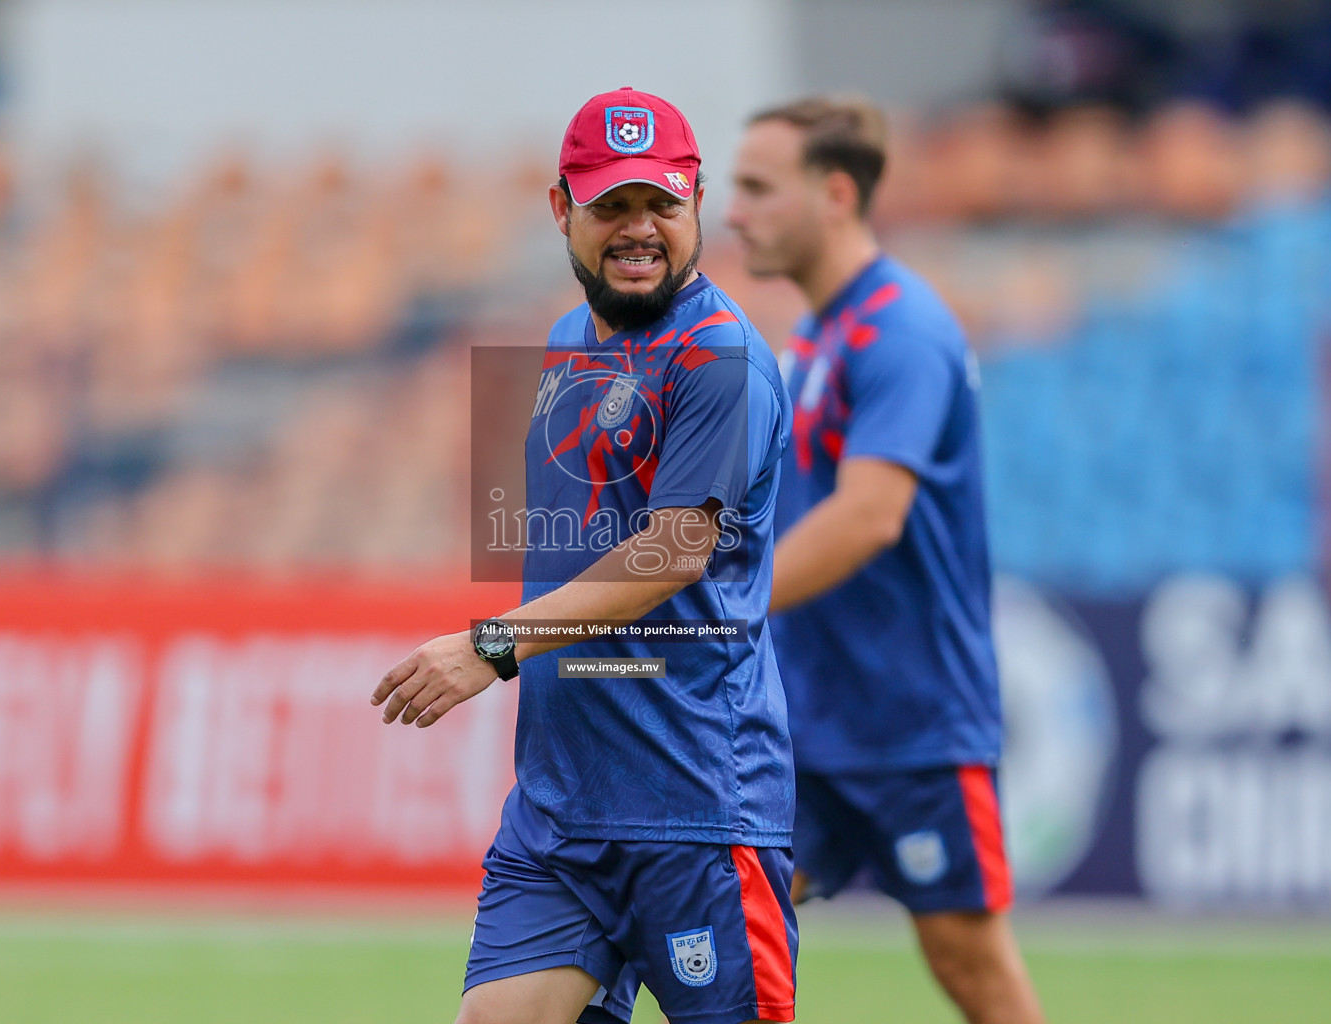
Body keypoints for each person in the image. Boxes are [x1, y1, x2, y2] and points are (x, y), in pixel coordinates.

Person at [372, 87, 796, 1024]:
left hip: (699, 811)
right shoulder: (566, 344)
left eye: (661, 205)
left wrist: (490, 646)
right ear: (562, 209)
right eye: (611, 206)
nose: (638, 229)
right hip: (562, 812)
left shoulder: (721, 360)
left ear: (696, 205)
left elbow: (673, 552)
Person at [725, 96, 1047, 1024]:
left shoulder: (901, 330)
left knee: (970, 964)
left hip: (912, 719)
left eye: (756, 187)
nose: (734, 211)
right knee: (708, 923)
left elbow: (869, 517)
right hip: (803, 718)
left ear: (833, 193)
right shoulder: (813, 339)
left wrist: (716, 610)